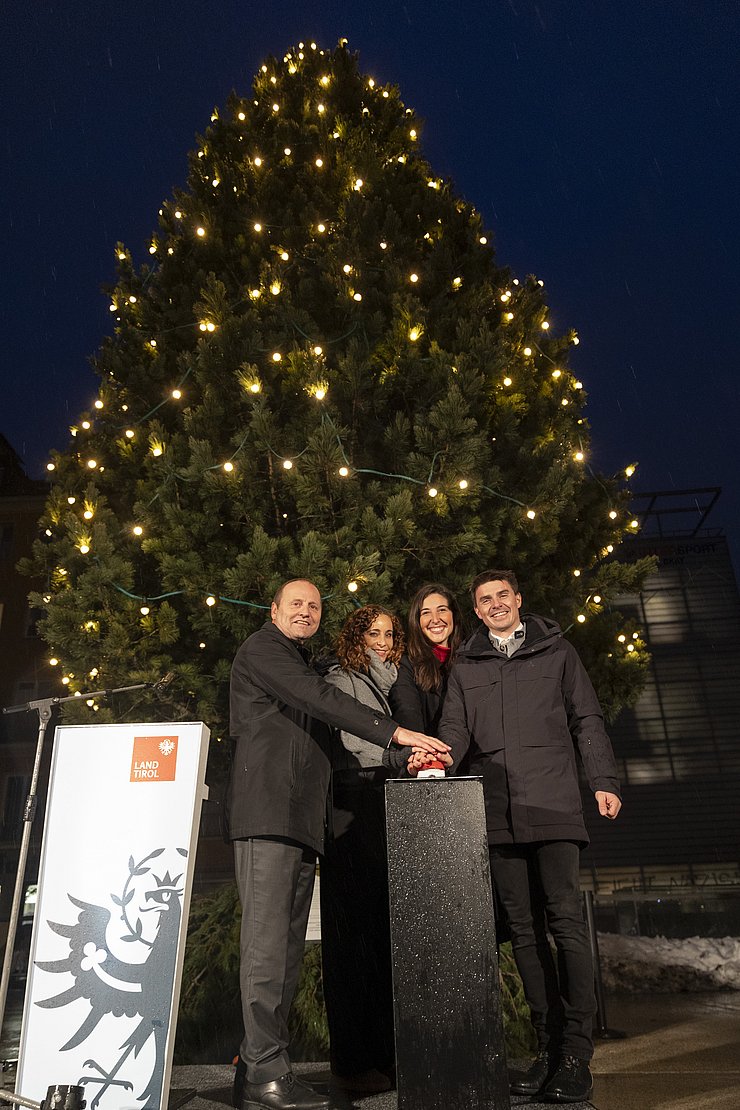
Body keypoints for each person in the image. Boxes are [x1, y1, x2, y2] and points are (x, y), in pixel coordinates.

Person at [228, 579, 450, 1110]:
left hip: (302, 819)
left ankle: (262, 1068)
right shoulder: (265, 651)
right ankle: (262, 1070)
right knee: (265, 949)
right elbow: (322, 700)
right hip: (268, 814)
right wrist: (396, 733)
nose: (306, 612)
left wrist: (402, 759)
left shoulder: (299, 661)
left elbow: (337, 744)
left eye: (314, 606)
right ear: (274, 610)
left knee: (282, 951)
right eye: (296, 604)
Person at [439, 570, 622, 1104]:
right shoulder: (467, 666)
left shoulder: (558, 653)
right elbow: (455, 729)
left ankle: (576, 1055)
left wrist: (603, 781)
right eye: (484, 600)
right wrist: (436, 763)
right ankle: (547, 1048)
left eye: (503, 596)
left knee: (565, 922)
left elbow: (586, 718)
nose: (495, 605)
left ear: (519, 600)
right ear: (476, 611)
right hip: (497, 810)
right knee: (522, 930)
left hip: (554, 802)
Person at [321, 605, 408, 1094]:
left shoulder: (391, 681)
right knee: (353, 938)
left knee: (380, 934)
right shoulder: (341, 679)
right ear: (356, 637)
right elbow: (356, 743)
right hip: (353, 804)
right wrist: (403, 756)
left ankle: (384, 1052)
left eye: (389, 633)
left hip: (382, 802)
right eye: (372, 633)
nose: (382, 640)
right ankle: (353, 1061)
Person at [388, 583, 464, 734]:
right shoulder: (406, 665)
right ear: (417, 621)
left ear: (453, 615)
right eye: (426, 613)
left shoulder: (470, 660)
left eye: (442, 610)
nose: (435, 619)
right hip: (429, 752)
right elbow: (407, 715)